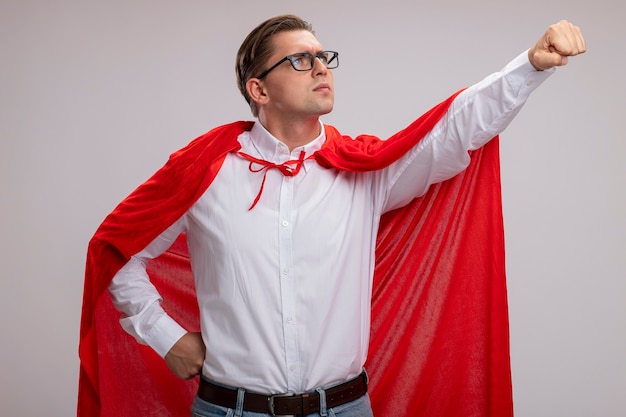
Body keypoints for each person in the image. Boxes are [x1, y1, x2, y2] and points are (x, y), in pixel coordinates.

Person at [78, 14, 586, 417]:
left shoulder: (366, 171)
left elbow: (452, 129)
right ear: (259, 89)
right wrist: (167, 338)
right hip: (232, 410)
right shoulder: (205, 172)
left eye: (324, 57)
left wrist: (529, 67)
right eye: (300, 61)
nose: (322, 68)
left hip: (343, 409)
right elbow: (116, 253)